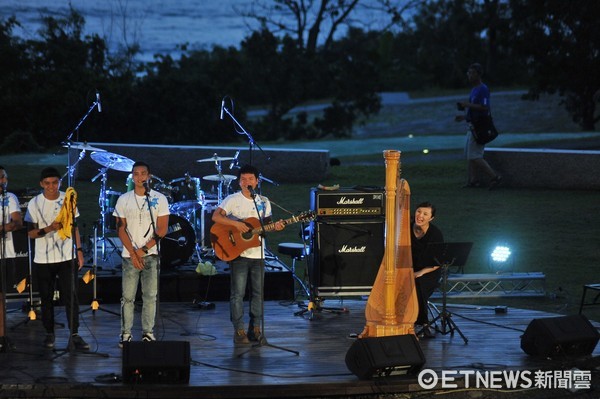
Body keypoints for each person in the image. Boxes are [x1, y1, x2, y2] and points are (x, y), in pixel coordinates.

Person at [211, 164, 285, 345]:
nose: (247, 182)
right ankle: (239, 329)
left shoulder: (264, 201)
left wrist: (276, 227)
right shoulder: (232, 199)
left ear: (257, 181)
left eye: (250, 179)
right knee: (238, 294)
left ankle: (256, 328)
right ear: (239, 182)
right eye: (243, 179)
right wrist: (236, 225)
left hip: (258, 253)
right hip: (238, 253)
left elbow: (266, 226)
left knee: (258, 293)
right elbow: (216, 217)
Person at [24, 167, 89, 350]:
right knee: (46, 297)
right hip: (43, 258)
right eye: (47, 183)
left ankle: (74, 334)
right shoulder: (35, 203)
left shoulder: (67, 200)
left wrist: (79, 250)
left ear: (60, 182)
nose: (51, 186)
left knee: (71, 296)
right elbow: (30, 232)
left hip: (66, 256)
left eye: (54, 182)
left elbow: (74, 226)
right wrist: (49, 228)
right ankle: (49, 332)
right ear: (41, 184)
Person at [113, 161, 169, 348]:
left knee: (150, 295)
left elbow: (162, 228)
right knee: (128, 297)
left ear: (149, 176)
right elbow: (120, 229)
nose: (139, 177)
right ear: (132, 176)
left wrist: (143, 250)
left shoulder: (159, 198)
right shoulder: (124, 199)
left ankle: (148, 332)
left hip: (151, 254)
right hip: (129, 256)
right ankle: (126, 333)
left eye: (143, 173)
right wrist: (133, 253)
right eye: (136, 174)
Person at [455, 62, 502, 189]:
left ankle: (494, 177)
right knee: (470, 154)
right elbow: (475, 110)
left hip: (480, 128)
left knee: (474, 155)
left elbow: (484, 107)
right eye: (468, 73)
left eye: (471, 73)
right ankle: (473, 181)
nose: (469, 75)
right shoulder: (474, 90)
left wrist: (466, 105)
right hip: (473, 125)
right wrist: (464, 117)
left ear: (478, 74)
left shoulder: (483, 89)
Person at [411, 201, 444, 337]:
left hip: (429, 270)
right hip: (408, 268)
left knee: (419, 285)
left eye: (425, 214)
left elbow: (438, 262)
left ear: (431, 218)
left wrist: (420, 272)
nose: (420, 216)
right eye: (419, 211)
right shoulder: (404, 229)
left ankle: (423, 324)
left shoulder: (435, 234)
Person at [0, 165, 24, 260]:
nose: (5, 180)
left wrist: (2, 228)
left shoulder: (10, 197)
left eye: (5, 177)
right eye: (1, 178)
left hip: (6, 254)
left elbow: (17, 223)